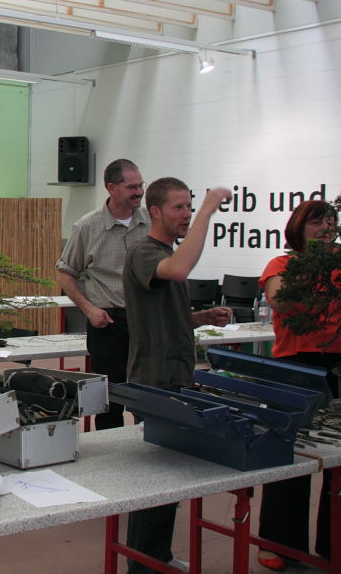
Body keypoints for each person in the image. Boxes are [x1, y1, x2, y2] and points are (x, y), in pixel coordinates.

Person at [122, 178, 232, 573]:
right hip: (156, 381)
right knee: (157, 481)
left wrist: (200, 318)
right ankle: (144, 565)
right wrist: (208, 210)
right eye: (178, 208)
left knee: (167, 478)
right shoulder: (144, 252)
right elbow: (182, 268)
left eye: (190, 207)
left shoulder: (163, 253)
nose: (186, 214)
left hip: (173, 377)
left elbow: (164, 314)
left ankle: (157, 557)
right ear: (155, 212)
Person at [256, 200, 341, 571]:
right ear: (297, 227)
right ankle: (278, 543)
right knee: (291, 454)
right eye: (316, 223)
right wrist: (315, 268)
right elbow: (280, 302)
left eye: (331, 222)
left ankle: (337, 545)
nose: (325, 229)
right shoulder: (281, 265)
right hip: (297, 365)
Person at [56, 158, 149, 430]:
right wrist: (89, 309)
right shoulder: (87, 227)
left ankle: (150, 447)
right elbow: (65, 272)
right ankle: (111, 451)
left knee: (149, 395)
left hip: (147, 321)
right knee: (110, 398)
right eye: (132, 187)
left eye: (141, 185)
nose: (139, 192)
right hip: (108, 324)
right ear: (111, 188)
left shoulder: (152, 221)